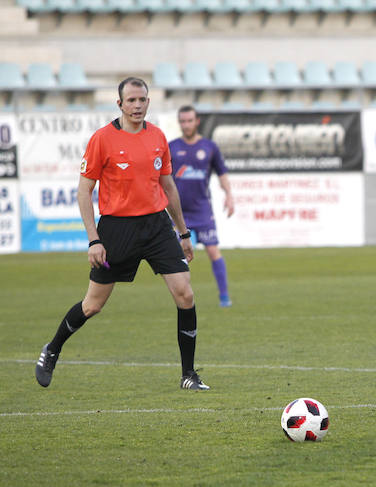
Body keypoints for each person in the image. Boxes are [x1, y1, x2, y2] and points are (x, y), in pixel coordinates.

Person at [34, 77, 210, 391]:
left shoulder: (157, 136)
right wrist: (94, 239)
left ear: (148, 102)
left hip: (157, 226)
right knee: (93, 305)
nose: (137, 106)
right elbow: (83, 192)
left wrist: (183, 233)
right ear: (120, 104)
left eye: (142, 100)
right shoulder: (102, 139)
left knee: (185, 293)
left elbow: (168, 186)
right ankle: (53, 348)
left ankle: (188, 375)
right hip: (117, 229)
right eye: (131, 100)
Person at [170, 105, 235, 308]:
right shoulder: (171, 147)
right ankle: (182, 297)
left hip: (202, 210)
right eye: (182, 121)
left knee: (213, 251)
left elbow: (222, 172)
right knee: (177, 257)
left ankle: (224, 296)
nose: (186, 124)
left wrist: (229, 195)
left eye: (189, 120)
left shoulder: (209, 147)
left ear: (197, 121)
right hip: (178, 213)